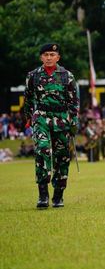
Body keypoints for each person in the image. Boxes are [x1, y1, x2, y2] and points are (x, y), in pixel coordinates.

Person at [22, 43, 80, 209]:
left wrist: (74, 121)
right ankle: (43, 194)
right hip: (41, 118)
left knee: (62, 157)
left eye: (52, 55)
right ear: (41, 57)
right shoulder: (33, 76)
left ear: (58, 57)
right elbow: (28, 99)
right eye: (46, 55)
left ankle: (58, 194)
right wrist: (28, 118)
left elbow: (73, 101)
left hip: (62, 119)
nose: (49, 58)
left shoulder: (67, 76)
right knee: (42, 150)